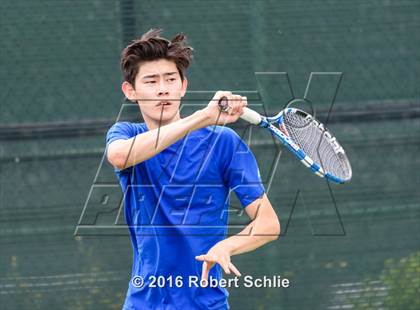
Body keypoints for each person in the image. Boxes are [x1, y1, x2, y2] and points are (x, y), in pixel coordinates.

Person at [106, 29, 280, 310]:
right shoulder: (125, 134)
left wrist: (228, 246)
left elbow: (268, 225)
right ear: (131, 91)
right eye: (151, 81)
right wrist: (203, 117)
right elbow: (118, 156)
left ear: (183, 86)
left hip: (206, 303)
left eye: (170, 79)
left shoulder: (223, 142)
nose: (163, 88)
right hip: (144, 303)